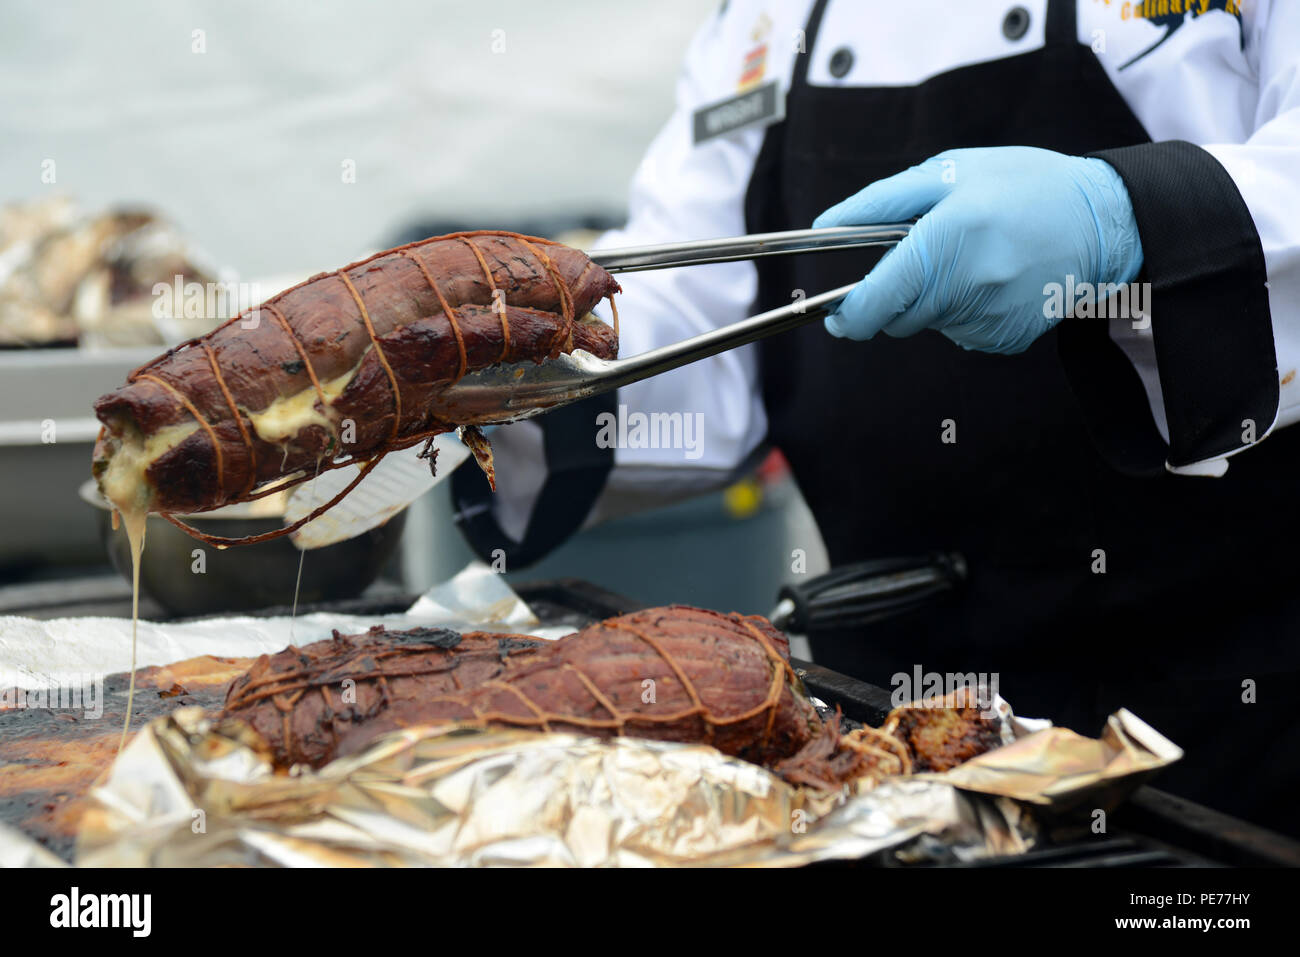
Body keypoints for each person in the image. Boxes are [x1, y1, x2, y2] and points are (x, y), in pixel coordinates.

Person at [452, 0, 1300, 834]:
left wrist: (1121, 218)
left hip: (1215, 728)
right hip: (880, 739)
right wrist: (501, 372)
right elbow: (700, 320)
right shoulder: (759, 20)